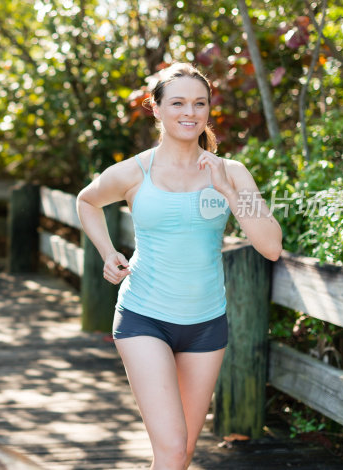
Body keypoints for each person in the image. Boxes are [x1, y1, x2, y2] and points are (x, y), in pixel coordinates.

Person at [75, 62, 283, 470]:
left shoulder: (231, 172)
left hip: (207, 323)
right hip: (143, 317)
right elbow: (86, 201)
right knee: (171, 450)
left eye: (199, 103)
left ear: (208, 110)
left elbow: (271, 246)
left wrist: (227, 191)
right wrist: (107, 252)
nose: (190, 112)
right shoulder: (136, 171)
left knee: (182, 454)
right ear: (156, 109)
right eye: (178, 103)